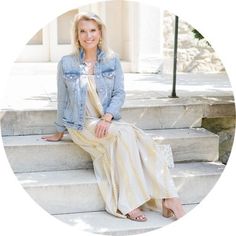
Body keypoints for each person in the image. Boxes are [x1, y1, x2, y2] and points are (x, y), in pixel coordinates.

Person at [42, 12, 185, 222]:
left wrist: (107, 117)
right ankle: (165, 199)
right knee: (130, 135)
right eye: (83, 31)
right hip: (81, 125)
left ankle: (166, 198)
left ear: (100, 33)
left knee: (133, 136)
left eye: (92, 30)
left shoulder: (112, 59)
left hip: (106, 121)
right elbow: (62, 99)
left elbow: (119, 93)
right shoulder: (66, 63)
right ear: (77, 35)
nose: (88, 35)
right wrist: (59, 130)